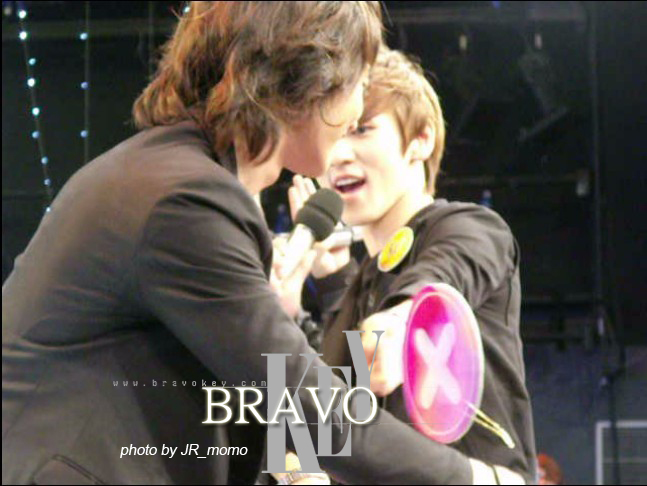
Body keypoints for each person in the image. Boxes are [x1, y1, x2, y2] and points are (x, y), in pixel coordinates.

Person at [3, 3, 493, 485]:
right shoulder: (184, 199)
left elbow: (278, 405)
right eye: (358, 87)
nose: (353, 116)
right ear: (308, 80)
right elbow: (306, 403)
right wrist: (481, 479)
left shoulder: (175, 179)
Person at [288, 47, 537, 483]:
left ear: (420, 139)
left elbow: (444, 277)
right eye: (332, 135)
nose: (339, 155)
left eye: (361, 130)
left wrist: (401, 320)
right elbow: (314, 437)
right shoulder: (360, 286)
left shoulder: (466, 226)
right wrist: (285, 307)